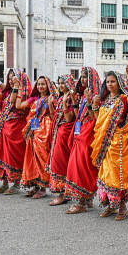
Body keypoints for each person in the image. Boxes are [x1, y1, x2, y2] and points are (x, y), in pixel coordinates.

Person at [90, 70, 128, 221]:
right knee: (107, 174)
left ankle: (122, 207)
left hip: (120, 142)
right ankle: (111, 205)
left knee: (119, 174)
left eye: (113, 81)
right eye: (108, 82)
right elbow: (99, 121)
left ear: (119, 83)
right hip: (106, 143)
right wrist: (95, 105)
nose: (110, 84)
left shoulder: (123, 99)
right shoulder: (105, 101)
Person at [0, 69, 31, 195]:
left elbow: (13, 102)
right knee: (2, 155)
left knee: (14, 157)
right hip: (5, 129)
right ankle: (5, 183)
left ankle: (16, 184)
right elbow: (1, 87)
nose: (11, 80)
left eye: (14, 78)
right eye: (10, 78)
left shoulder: (25, 93)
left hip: (16, 129)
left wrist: (17, 86)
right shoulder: (9, 91)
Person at [64, 67, 102, 214]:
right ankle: (86, 198)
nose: (83, 80)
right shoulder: (82, 96)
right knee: (79, 165)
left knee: (82, 166)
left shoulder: (96, 96)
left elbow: (94, 117)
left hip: (89, 134)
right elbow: (77, 115)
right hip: (80, 131)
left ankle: (81, 201)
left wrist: (89, 101)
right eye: (82, 77)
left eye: (86, 77)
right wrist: (75, 102)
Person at [15, 75, 55, 199]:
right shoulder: (34, 99)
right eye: (38, 84)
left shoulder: (52, 98)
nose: (40, 86)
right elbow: (18, 106)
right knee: (32, 157)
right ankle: (35, 186)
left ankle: (42, 187)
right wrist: (19, 89)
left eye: (43, 84)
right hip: (33, 130)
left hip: (44, 131)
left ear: (48, 86)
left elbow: (54, 116)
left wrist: (51, 105)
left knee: (42, 157)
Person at [48, 74, 77, 206]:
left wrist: (65, 104)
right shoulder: (60, 97)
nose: (61, 86)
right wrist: (50, 105)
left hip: (66, 131)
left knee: (61, 162)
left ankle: (64, 193)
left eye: (63, 83)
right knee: (58, 161)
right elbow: (55, 116)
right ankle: (63, 192)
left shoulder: (70, 98)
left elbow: (69, 118)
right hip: (59, 131)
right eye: (59, 83)